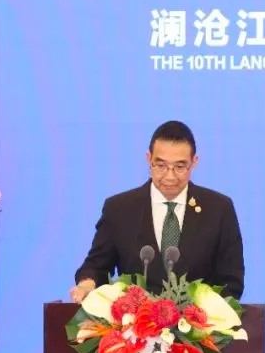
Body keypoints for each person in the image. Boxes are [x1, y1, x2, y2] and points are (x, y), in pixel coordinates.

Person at [70, 120, 245, 302]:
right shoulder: (119, 209)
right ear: (149, 159)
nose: (169, 176)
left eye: (179, 167)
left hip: (197, 319)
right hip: (134, 318)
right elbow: (96, 266)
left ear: (194, 162)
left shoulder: (219, 209)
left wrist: (201, 315)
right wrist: (87, 284)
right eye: (160, 165)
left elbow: (231, 282)